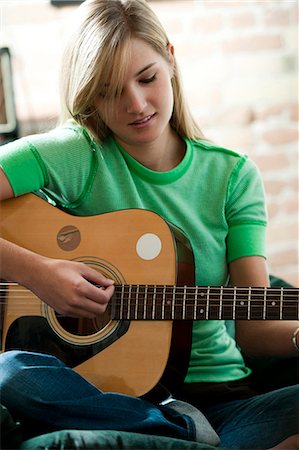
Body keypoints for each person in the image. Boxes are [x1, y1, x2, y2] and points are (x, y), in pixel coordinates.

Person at [0, 0, 298, 448]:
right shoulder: (75, 155)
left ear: (171, 60)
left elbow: (252, 329)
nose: (136, 104)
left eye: (147, 78)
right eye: (109, 90)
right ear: (89, 95)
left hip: (223, 399)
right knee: (11, 372)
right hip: (101, 394)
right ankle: (178, 432)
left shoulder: (231, 175)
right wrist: (38, 273)